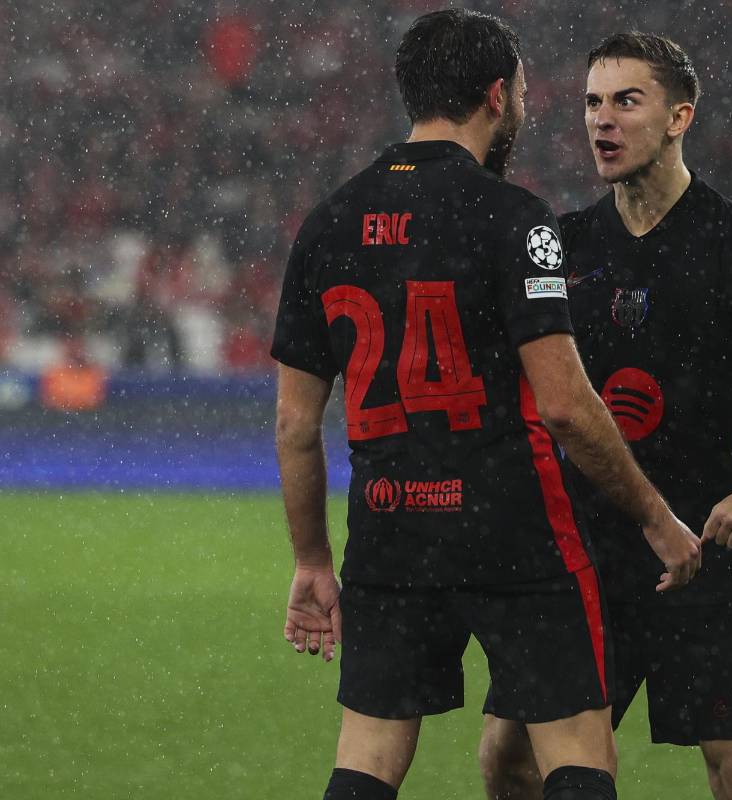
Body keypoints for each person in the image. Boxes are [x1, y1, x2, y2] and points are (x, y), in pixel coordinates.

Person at [271, 13, 701, 800]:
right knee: (576, 753)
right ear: (498, 96)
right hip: (514, 530)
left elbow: (296, 426)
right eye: (526, 93)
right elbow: (565, 406)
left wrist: (311, 562)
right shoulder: (515, 217)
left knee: (367, 759)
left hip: (390, 530)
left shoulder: (328, 223)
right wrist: (654, 517)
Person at [478, 33, 732, 800]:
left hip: (704, 556)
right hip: (584, 555)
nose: (601, 120)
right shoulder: (564, 245)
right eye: (591, 103)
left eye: (625, 101)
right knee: (509, 757)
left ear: (680, 117)